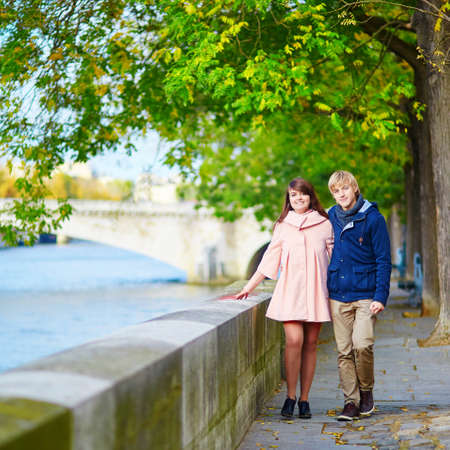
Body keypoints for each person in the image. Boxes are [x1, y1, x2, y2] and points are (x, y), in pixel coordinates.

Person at [235, 178, 333, 419]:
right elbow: (270, 260)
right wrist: (249, 286)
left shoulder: (325, 224)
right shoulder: (282, 225)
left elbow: (335, 260)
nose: (298, 198)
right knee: (294, 341)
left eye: (302, 194)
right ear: (288, 199)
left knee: (310, 344)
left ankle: (305, 399)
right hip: (290, 291)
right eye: (293, 195)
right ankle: (290, 396)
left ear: (310, 196)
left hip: (316, 292)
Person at [326, 170, 391, 421]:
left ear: (354, 188)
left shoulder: (374, 219)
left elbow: (384, 260)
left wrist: (380, 296)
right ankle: (350, 402)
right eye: (335, 191)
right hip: (338, 293)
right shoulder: (330, 217)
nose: (340, 194)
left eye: (344, 189)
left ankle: (366, 391)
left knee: (362, 345)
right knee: (344, 351)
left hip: (366, 295)